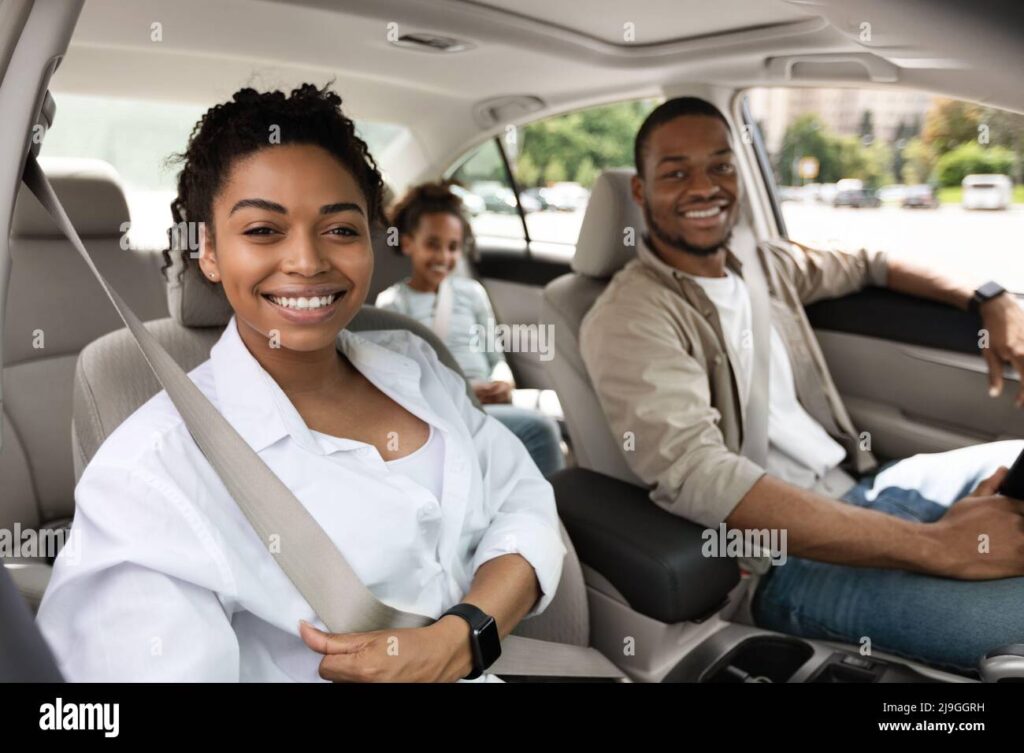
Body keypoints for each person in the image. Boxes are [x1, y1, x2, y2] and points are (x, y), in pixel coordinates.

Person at [35, 84, 566, 683]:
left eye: (339, 229)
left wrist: (462, 637)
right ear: (207, 250)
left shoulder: (415, 362)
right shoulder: (152, 476)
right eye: (263, 230)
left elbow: (524, 504)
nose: (308, 261)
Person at [580, 96, 1024, 674]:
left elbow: (872, 262)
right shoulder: (630, 316)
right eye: (676, 172)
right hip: (780, 564)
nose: (704, 186)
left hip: (864, 490)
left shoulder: (762, 265)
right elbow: (697, 473)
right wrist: (939, 547)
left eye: (720, 165)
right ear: (640, 193)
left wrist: (989, 295)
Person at [375, 182, 565, 477]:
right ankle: (555, 518)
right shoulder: (393, 303)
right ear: (408, 242)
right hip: (448, 408)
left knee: (565, 412)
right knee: (540, 429)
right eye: (432, 245)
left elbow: (495, 356)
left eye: (452, 247)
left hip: (489, 400)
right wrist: (466, 391)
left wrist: (504, 383)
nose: (444, 257)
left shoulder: (472, 293)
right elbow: (402, 380)